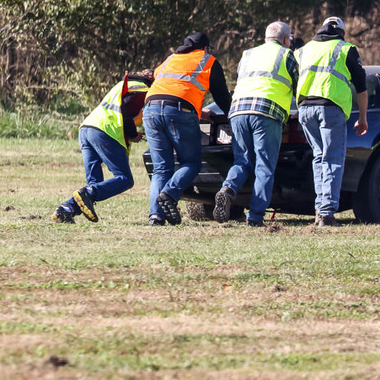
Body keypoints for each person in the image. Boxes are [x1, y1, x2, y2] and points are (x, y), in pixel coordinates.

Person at [212, 21, 299, 227]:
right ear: (286, 40)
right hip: (267, 112)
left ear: (265, 38)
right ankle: (256, 216)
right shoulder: (287, 55)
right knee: (264, 166)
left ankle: (228, 188)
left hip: (238, 110)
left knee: (242, 161)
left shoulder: (248, 54)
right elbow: (299, 87)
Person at [143, 32, 232, 225]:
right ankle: (169, 193)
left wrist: (198, 112)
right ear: (206, 48)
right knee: (191, 162)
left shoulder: (170, 59)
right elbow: (221, 96)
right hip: (179, 111)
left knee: (161, 169)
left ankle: (156, 216)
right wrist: (231, 114)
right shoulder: (207, 60)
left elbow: (168, 89)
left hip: (149, 110)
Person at [51, 70, 154, 223]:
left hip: (87, 128)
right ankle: (84, 196)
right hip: (106, 130)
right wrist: (133, 134)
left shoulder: (123, 84)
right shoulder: (141, 90)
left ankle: (66, 210)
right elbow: (125, 114)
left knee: (94, 185)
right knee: (124, 179)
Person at [295, 16, 368, 227]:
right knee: (333, 159)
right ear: (342, 34)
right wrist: (362, 119)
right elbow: (361, 89)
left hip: (305, 109)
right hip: (330, 108)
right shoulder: (345, 49)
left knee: (319, 158)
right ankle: (326, 213)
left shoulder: (304, 50)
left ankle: (320, 208)